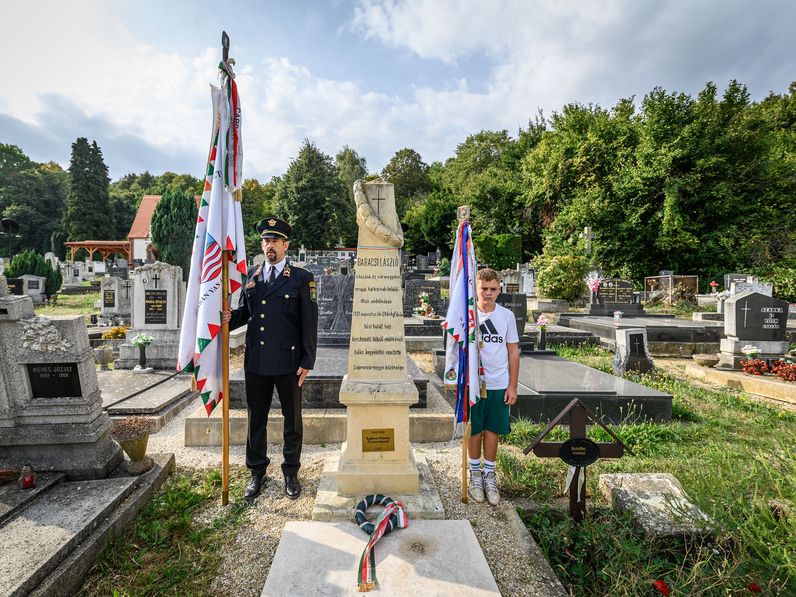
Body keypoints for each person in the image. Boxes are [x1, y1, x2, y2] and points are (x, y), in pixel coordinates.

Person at [222, 216, 318, 500]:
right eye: (266, 241)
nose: (270, 245)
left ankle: (290, 472)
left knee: (292, 420)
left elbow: (309, 322)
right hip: (257, 360)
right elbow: (245, 313)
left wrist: (307, 360)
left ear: (286, 245)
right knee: (256, 418)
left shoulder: (301, 278)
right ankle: (257, 472)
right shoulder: (251, 275)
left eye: (275, 240)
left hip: (289, 362)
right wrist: (225, 318)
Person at [468, 268, 519, 505]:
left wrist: (512, 386)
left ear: (499, 290)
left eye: (493, 289)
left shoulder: (506, 316)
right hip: (473, 384)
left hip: (498, 383)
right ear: (476, 289)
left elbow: (513, 352)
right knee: (474, 429)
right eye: (484, 288)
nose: (488, 293)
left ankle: (489, 474)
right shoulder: (468, 315)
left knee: (492, 430)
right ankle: (474, 473)